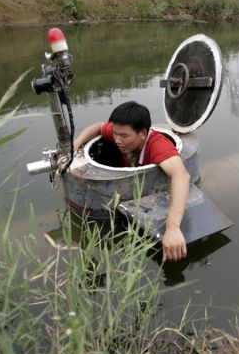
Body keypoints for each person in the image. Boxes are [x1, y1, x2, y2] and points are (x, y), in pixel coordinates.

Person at [73, 101, 190, 262]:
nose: (118, 140)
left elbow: (181, 176)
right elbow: (98, 127)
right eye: (115, 133)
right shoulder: (121, 134)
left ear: (142, 133)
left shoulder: (157, 145)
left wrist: (173, 227)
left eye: (124, 136)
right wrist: (76, 144)